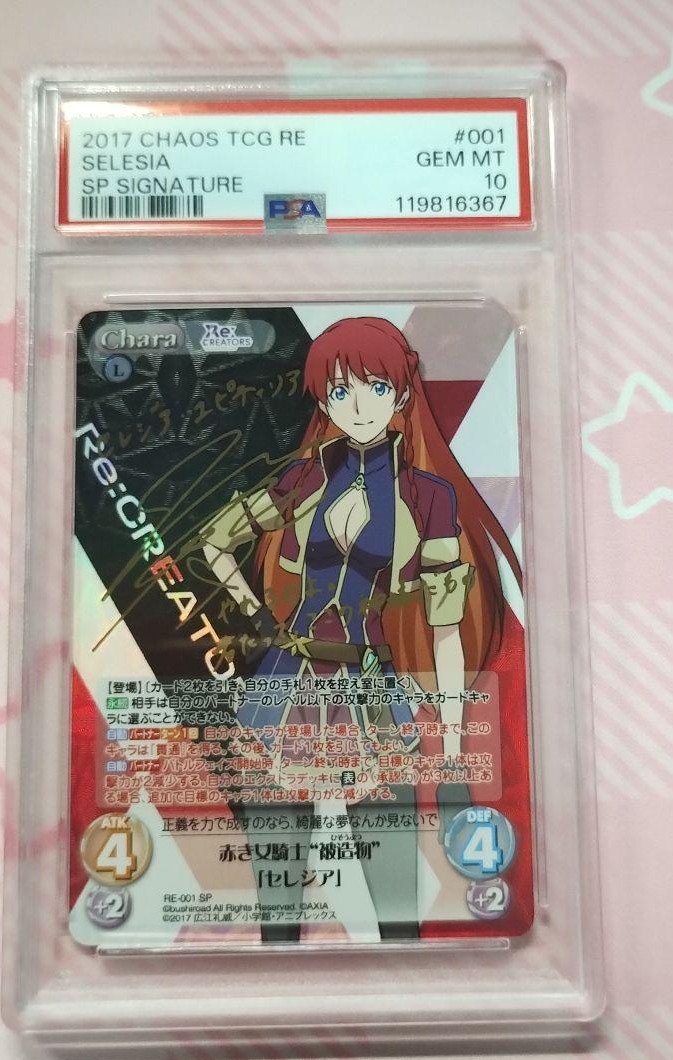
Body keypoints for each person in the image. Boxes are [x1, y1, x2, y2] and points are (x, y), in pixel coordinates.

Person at [200, 316, 519, 941]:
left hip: (368, 686)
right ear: (324, 402)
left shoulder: (428, 496)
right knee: (277, 898)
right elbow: (215, 543)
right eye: (341, 391)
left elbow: (445, 625)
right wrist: (258, 617)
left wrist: (454, 742)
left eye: (375, 387)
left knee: (395, 895)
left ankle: (406, 972)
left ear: (400, 393)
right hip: (284, 681)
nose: (359, 406)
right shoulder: (305, 478)